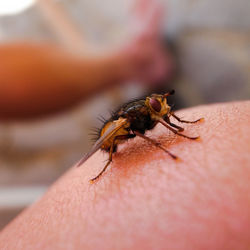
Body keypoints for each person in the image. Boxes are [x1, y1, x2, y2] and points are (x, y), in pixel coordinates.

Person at [0, 100, 249, 249]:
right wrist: (165, 146)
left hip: (123, 125)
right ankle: (110, 162)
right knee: (130, 133)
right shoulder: (131, 121)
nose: (162, 107)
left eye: (159, 103)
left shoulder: (149, 111)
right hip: (113, 135)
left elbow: (160, 114)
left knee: (158, 120)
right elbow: (129, 130)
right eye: (156, 103)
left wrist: (180, 127)